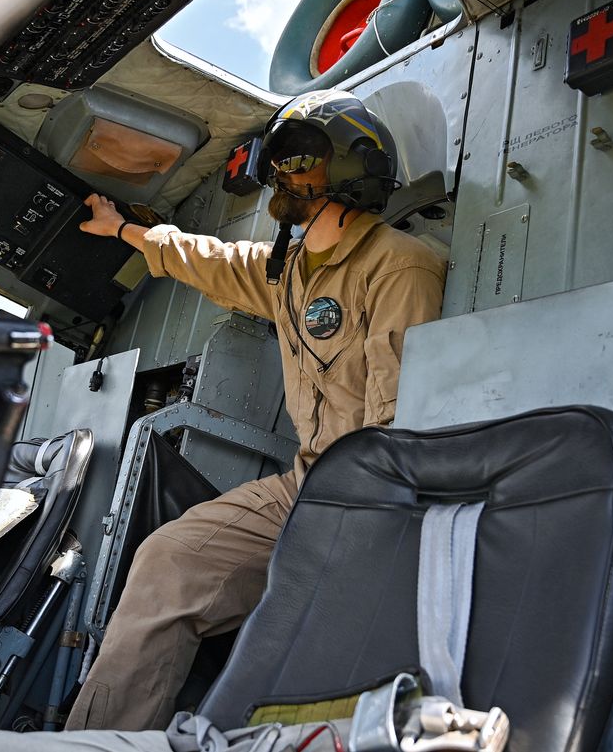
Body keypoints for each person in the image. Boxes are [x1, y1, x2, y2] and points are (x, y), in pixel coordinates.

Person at [66, 89, 446, 731]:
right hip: (305, 482)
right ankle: (97, 743)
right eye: (284, 165)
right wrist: (125, 229)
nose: (287, 179)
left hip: (371, 496)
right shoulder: (289, 269)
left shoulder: (399, 267)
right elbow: (209, 260)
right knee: (170, 557)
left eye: (306, 164)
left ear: (352, 171)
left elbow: (395, 424)